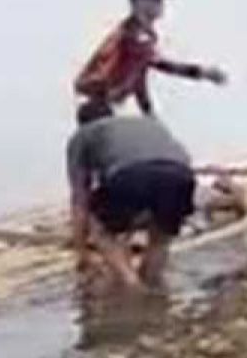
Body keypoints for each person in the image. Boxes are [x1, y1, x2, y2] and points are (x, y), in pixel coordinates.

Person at [66, 100, 198, 290]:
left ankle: (132, 285)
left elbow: (79, 199)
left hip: (132, 175)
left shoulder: (82, 136)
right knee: (159, 237)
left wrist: (82, 253)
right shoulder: (145, 123)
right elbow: (182, 158)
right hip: (180, 175)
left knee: (100, 229)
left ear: (80, 123)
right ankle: (152, 283)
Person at [73, 0, 227, 115]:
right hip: (97, 105)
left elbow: (138, 77)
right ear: (140, 3)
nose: (161, 5)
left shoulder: (141, 33)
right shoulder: (134, 35)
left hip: (102, 104)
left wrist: (148, 112)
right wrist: (203, 72)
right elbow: (162, 65)